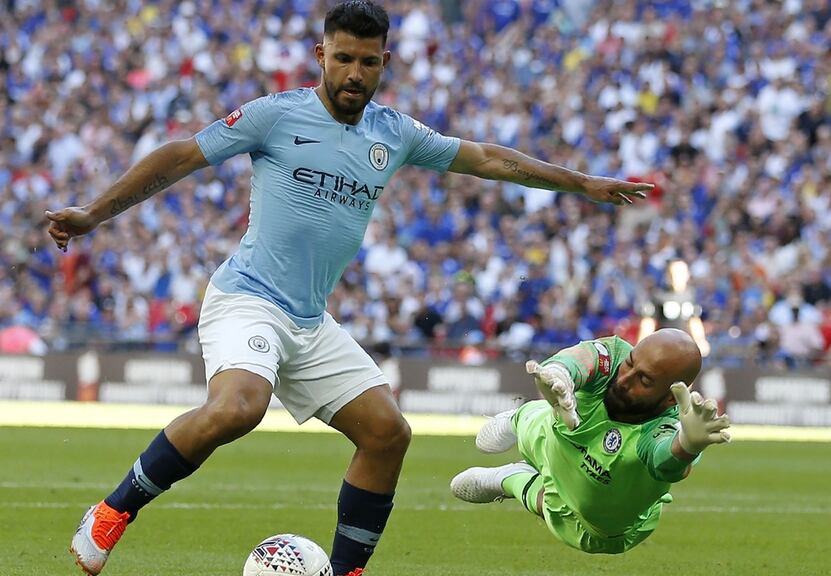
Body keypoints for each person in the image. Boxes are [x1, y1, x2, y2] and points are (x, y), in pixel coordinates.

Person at [45, 2, 653, 575]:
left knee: (389, 433)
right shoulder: (275, 114)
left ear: (385, 63)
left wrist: (581, 183)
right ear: (321, 55)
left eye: (367, 61)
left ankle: (349, 570)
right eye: (343, 58)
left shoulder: (396, 134)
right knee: (238, 407)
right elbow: (180, 156)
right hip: (248, 298)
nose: (354, 73)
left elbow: (490, 159)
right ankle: (112, 511)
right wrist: (94, 215)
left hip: (310, 322)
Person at [450, 328, 731, 554]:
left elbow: (665, 461)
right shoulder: (614, 355)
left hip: (598, 519)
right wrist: (560, 374)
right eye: (630, 364)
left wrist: (689, 446)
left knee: (571, 511)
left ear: (670, 397)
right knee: (553, 414)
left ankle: (509, 479)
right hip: (557, 435)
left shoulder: (670, 426)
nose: (625, 379)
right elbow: (579, 359)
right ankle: (518, 419)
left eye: (643, 381)